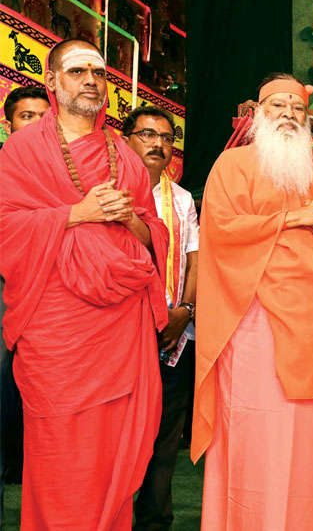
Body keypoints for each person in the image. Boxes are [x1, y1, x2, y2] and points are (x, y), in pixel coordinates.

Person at [0, 38, 168, 530]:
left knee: (112, 450)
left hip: (118, 329)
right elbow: (7, 227)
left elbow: (152, 232)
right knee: (59, 454)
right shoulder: (21, 149)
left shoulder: (125, 155)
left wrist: (130, 221)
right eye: (77, 71)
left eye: (98, 71)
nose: (91, 79)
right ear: (52, 82)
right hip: (56, 331)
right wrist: (78, 213)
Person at [193, 73, 313, 530]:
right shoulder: (232, 166)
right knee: (257, 436)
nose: (288, 115)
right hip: (254, 323)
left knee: (303, 446)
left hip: (309, 333)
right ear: (258, 115)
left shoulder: (309, 177)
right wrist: (293, 218)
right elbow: (221, 231)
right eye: (277, 106)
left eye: (297, 109)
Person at [123, 105, 198, 531]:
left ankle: (153, 522)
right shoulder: (109, 188)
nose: (158, 144)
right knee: (116, 432)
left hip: (171, 332)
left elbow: (195, 260)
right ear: (127, 138)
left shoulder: (182, 199)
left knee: (164, 437)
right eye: (148, 134)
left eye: (167, 138)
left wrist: (184, 312)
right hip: (119, 330)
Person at [0, 84, 49, 527]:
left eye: (41, 116)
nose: (33, 125)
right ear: (8, 123)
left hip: (49, 311)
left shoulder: (64, 172)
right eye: (24, 117)